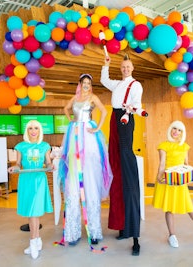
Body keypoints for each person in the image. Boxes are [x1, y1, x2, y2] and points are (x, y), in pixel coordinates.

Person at [58, 73, 113, 248]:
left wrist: (96, 127)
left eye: (89, 83)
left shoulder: (93, 98)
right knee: (73, 183)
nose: (87, 85)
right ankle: (73, 233)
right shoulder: (75, 97)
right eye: (84, 83)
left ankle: (94, 231)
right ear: (80, 84)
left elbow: (104, 111)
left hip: (88, 136)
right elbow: (66, 109)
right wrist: (71, 122)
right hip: (74, 135)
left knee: (90, 180)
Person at [100, 54, 143, 256]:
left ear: (132, 67)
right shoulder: (117, 84)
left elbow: (138, 106)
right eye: (123, 66)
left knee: (126, 165)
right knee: (115, 167)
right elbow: (104, 81)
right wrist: (106, 65)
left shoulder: (136, 85)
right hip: (114, 120)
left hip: (125, 120)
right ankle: (123, 227)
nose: (125, 68)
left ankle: (133, 234)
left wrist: (130, 109)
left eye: (127, 66)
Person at [152, 120, 193, 248]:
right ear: (170, 129)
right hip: (168, 180)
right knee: (169, 208)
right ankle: (172, 236)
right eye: (174, 128)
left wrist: (192, 174)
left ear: (182, 133)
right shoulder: (163, 146)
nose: (176, 132)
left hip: (180, 181)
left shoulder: (184, 146)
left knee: (190, 208)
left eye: (179, 130)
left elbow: (186, 164)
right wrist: (159, 177)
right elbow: (162, 164)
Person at [7, 120, 54, 260]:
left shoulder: (45, 146)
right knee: (30, 212)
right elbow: (18, 164)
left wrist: (51, 166)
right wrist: (13, 168)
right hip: (26, 180)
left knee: (34, 212)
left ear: (40, 131)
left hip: (39, 181)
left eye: (36, 128)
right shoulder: (20, 146)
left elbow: (48, 163)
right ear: (27, 131)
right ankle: (37, 241)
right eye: (30, 128)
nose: (33, 131)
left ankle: (33, 243)